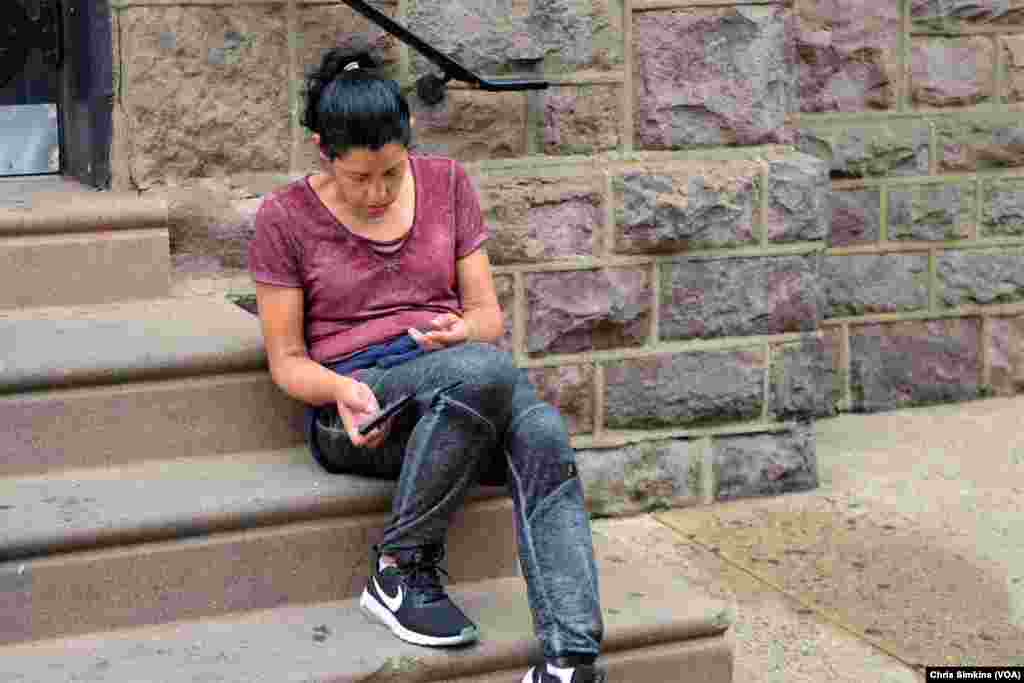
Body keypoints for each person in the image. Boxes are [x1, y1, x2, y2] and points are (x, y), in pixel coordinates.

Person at [247, 48, 605, 683]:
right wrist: (341, 390)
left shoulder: (445, 183)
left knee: (542, 429)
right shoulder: (285, 218)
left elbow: (488, 318)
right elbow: (287, 362)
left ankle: (570, 661)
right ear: (321, 151)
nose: (379, 192)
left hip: (457, 378)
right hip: (360, 402)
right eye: (360, 178)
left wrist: (462, 330)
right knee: (487, 374)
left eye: (392, 171)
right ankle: (399, 567)